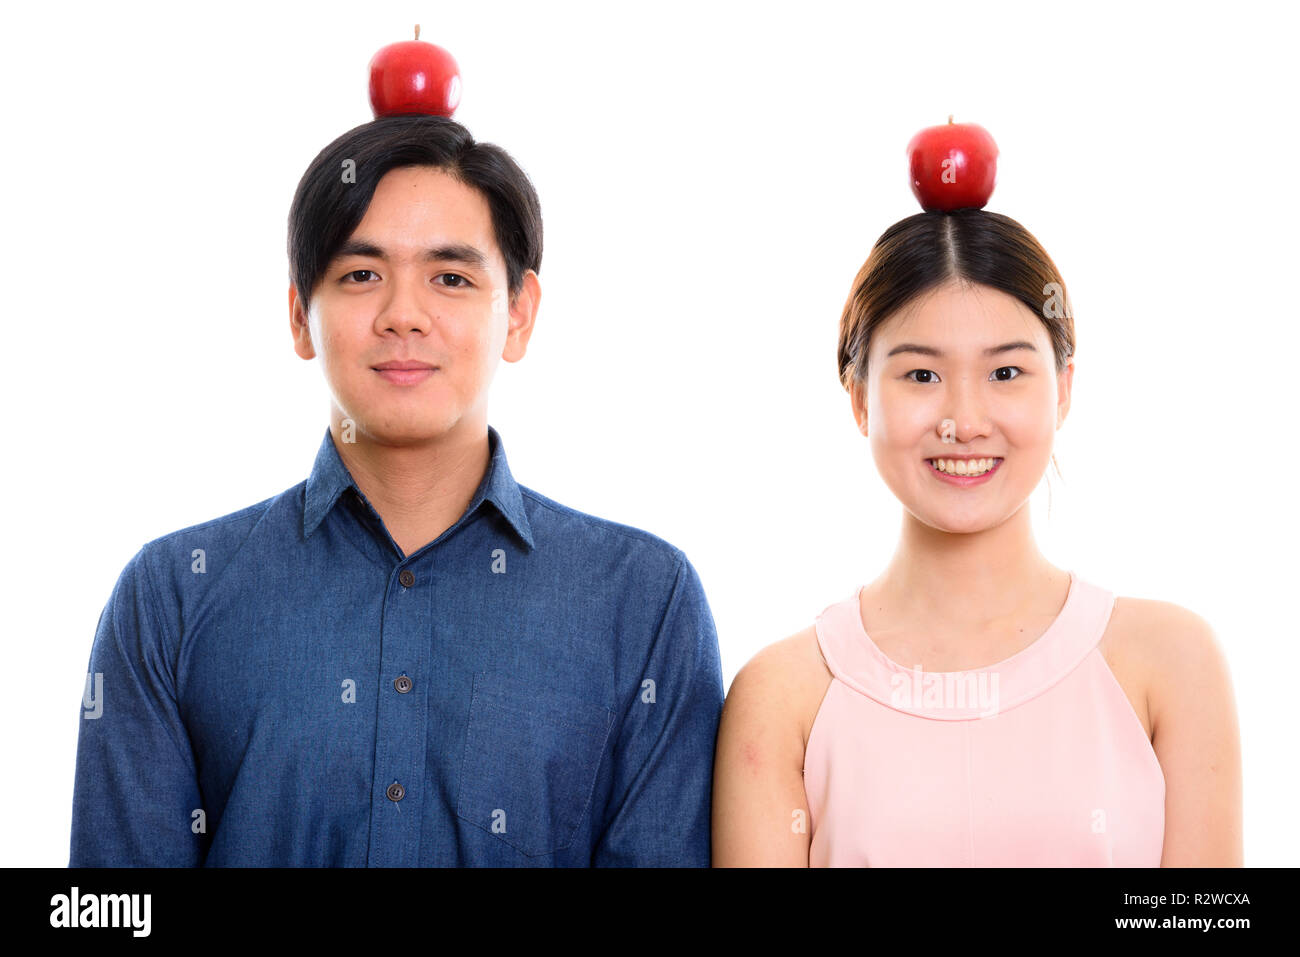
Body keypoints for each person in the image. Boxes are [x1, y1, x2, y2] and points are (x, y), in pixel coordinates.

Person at [70, 115, 724, 867]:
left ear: (518, 311)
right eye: (360, 274)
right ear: (298, 316)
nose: (403, 316)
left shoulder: (644, 601)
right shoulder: (169, 598)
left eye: (450, 277)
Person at [711, 209, 1242, 866]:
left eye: (1006, 373)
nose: (964, 421)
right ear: (859, 397)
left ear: (1064, 389)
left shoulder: (1171, 663)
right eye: (922, 375)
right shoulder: (783, 693)